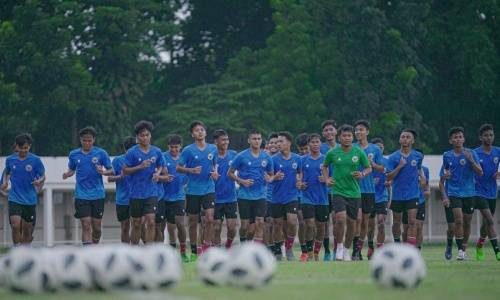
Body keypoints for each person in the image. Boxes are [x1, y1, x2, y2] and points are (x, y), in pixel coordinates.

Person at [322, 125, 371, 261]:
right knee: (340, 219)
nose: (347, 138)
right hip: (337, 191)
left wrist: (362, 174)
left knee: (352, 223)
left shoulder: (359, 152)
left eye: (349, 136)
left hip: (354, 193)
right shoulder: (333, 153)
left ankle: (346, 250)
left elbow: (368, 168)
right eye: (344, 136)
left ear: (352, 137)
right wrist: (327, 179)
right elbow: (324, 166)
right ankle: (338, 246)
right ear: (340, 137)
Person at [63, 127, 113, 245]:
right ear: (80, 140)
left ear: (93, 140)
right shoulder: (74, 154)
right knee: (86, 224)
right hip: (81, 195)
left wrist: (103, 172)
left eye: (89, 140)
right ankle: (87, 252)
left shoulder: (101, 153)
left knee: (96, 228)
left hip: (97, 194)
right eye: (84, 140)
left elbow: (111, 170)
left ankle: (95, 244)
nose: (87, 143)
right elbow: (71, 170)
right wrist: (66, 174)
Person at [439, 126, 483, 260]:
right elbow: (442, 178)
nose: (458, 139)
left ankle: (463, 249)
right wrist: (445, 177)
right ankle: (459, 250)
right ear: (450, 141)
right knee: (458, 220)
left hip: (469, 193)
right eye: (455, 137)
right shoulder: (447, 155)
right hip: (454, 193)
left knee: (467, 223)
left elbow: (480, 172)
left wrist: (471, 160)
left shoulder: (471, 153)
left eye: (460, 137)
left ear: (463, 139)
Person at [177, 121, 217, 261]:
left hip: (208, 188)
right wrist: (191, 170)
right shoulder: (188, 150)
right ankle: (194, 251)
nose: (200, 132)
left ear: (205, 132)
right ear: (192, 134)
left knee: (210, 219)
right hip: (193, 190)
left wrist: (215, 173)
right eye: (196, 130)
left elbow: (215, 165)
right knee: (193, 221)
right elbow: (178, 168)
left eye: (202, 130)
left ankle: (206, 248)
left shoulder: (213, 148)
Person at [228, 129, 274, 246]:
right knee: (245, 226)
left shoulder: (267, 157)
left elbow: (270, 175)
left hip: (261, 195)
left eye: (259, 139)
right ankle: (244, 244)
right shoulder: (241, 156)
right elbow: (230, 173)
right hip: (245, 196)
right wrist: (242, 181)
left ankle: (255, 248)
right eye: (254, 139)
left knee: (259, 222)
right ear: (249, 140)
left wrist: (269, 179)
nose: (257, 141)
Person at [123, 121, 165, 245]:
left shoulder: (156, 151)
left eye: (147, 135)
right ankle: (134, 251)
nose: (145, 137)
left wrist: (158, 173)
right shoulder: (132, 152)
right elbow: (125, 170)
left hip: (151, 192)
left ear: (150, 136)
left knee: (151, 221)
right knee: (136, 224)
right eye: (142, 135)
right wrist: (140, 166)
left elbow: (161, 166)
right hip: (136, 193)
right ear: (137, 137)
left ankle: (149, 252)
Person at [1, 133, 45, 245]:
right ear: (16, 146)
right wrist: (5, 182)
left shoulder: (36, 160)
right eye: (21, 148)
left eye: (26, 148)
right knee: (15, 225)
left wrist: (39, 181)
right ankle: (16, 249)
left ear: (29, 146)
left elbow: (43, 175)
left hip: (29, 199)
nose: (24, 150)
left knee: (27, 231)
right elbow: (7, 171)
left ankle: (25, 250)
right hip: (15, 197)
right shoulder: (10, 159)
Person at [154, 134, 189, 262]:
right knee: (161, 227)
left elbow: (188, 175)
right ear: (168, 146)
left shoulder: (184, 159)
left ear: (181, 147)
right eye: (171, 147)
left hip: (179, 196)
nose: (174, 150)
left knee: (180, 224)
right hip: (163, 197)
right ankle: (161, 254)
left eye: (176, 147)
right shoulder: (162, 157)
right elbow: (156, 174)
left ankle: (183, 252)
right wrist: (163, 176)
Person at [352, 120, 384, 260]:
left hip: (369, 191)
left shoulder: (375, 149)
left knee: (365, 222)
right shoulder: (351, 147)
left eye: (361, 129)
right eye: (356, 130)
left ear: (367, 132)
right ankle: (353, 249)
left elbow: (382, 168)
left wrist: (372, 165)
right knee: (357, 220)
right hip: (352, 190)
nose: (358, 132)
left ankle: (358, 250)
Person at [269, 131, 302, 261]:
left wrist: (299, 181)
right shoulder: (273, 159)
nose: (278, 144)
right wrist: (274, 177)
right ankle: (278, 251)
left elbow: (299, 173)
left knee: (292, 222)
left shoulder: (297, 158)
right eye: (277, 142)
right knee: (277, 224)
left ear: (289, 142)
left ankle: (288, 248)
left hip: (292, 196)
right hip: (276, 197)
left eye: (281, 141)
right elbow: (267, 177)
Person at [299, 133, 329, 261]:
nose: (315, 144)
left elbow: (334, 178)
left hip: (323, 198)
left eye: (317, 142)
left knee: (321, 226)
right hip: (307, 198)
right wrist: (299, 183)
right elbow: (297, 176)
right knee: (309, 224)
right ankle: (309, 252)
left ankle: (317, 252)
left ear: (320, 144)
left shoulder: (327, 159)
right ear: (308, 144)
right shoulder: (302, 160)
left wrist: (326, 179)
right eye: (312, 142)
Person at [473, 124, 500, 261]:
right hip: (478, 192)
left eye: (491, 135)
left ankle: (479, 245)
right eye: (486, 135)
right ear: (480, 137)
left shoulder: (498, 151)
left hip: (492, 192)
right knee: (490, 220)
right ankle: (498, 252)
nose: (488, 137)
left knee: (486, 223)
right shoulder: (475, 153)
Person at [212, 129, 238, 249]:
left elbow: (243, 169)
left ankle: (228, 245)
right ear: (216, 142)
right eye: (223, 140)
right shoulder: (211, 156)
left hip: (230, 197)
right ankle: (217, 250)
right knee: (216, 227)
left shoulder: (234, 154)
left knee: (232, 228)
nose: (226, 142)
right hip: (215, 198)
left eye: (227, 139)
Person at [108, 136, 136, 243]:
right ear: (125, 149)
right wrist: (120, 176)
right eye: (129, 151)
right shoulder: (117, 161)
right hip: (123, 200)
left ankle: (137, 252)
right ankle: (126, 251)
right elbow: (109, 178)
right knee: (125, 227)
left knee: (138, 226)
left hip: (137, 198)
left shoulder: (140, 160)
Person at [366, 137, 391, 259]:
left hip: (382, 197)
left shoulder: (386, 162)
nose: (379, 149)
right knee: (370, 226)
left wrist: (389, 183)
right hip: (369, 196)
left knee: (381, 222)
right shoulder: (365, 162)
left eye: (381, 147)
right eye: (377, 148)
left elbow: (390, 177)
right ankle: (370, 246)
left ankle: (380, 249)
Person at [320, 120, 339, 260]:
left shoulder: (343, 147)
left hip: (339, 190)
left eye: (331, 129)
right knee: (325, 222)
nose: (329, 132)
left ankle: (337, 250)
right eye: (326, 130)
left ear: (336, 131)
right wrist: (321, 177)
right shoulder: (319, 148)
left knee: (338, 220)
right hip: (323, 192)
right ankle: (326, 251)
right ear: (323, 133)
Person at [295, 133, 310, 261]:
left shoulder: (321, 158)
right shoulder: (296, 159)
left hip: (315, 196)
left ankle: (313, 249)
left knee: (314, 224)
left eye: (306, 148)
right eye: (302, 150)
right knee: (302, 222)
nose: (304, 152)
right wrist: (298, 183)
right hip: (299, 195)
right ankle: (304, 250)